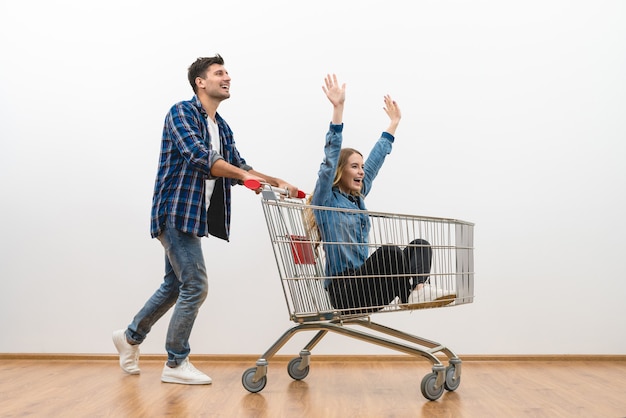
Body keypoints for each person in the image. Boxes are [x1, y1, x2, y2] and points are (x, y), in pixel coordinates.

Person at [112, 55, 298, 385]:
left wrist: (276, 181)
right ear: (201, 82)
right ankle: (175, 362)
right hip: (174, 212)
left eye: (227, 73)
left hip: (193, 217)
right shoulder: (181, 113)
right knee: (196, 285)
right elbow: (201, 158)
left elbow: (239, 165)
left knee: (175, 286)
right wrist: (243, 175)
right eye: (219, 73)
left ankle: (129, 338)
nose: (227, 77)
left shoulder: (221, 127)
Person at [307, 74, 455, 314]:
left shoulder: (358, 198)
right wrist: (338, 110)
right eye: (354, 166)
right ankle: (410, 294)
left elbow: (375, 162)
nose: (361, 172)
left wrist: (393, 124)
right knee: (389, 252)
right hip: (345, 291)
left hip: (369, 286)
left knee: (420, 245)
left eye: (361, 167)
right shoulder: (326, 199)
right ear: (339, 171)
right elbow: (330, 157)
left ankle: (416, 291)